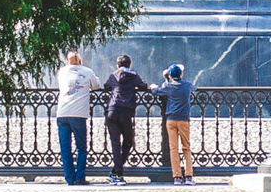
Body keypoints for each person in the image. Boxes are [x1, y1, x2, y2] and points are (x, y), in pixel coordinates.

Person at [55, 51, 102, 185]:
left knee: (65, 148)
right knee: (81, 147)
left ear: (68, 62)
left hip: (63, 112)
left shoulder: (62, 72)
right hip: (79, 114)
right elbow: (96, 85)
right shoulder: (87, 71)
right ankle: (80, 176)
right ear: (80, 61)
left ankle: (69, 178)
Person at [102, 53, 148, 183]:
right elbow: (143, 86)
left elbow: (106, 85)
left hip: (112, 110)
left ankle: (116, 172)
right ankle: (117, 172)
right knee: (128, 141)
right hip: (126, 110)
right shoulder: (133, 76)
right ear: (130, 64)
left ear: (117, 65)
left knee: (115, 143)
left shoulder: (113, 75)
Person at [158, 64, 196, 184]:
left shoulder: (168, 86)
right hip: (184, 119)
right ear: (181, 74)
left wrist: (157, 85)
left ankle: (177, 177)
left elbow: (157, 90)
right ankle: (189, 176)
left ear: (170, 76)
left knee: (173, 149)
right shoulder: (187, 85)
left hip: (171, 119)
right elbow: (194, 88)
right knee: (186, 147)